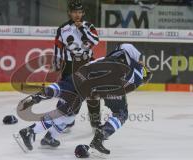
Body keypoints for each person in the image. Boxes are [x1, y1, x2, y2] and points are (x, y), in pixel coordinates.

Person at [16, 43, 152, 154]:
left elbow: (122, 48)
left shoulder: (110, 57)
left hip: (85, 72)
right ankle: (101, 136)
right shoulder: (138, 75)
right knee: (121, 113)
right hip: (108, 81)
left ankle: (41, 104)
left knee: (66, 105)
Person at [18, 1, 100, 149]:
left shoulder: (89, 26)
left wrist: (82, 30)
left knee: (90, 98)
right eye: (74, 12)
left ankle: (94, 122)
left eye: (80, 12)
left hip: (87, 66)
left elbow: (95, 41)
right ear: (69, 12)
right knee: (68, 106)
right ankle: (47, 132)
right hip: (70, 68)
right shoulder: (63, 29)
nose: (77, 14)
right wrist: (56, 65)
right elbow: (57, 48)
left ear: (83, 13)